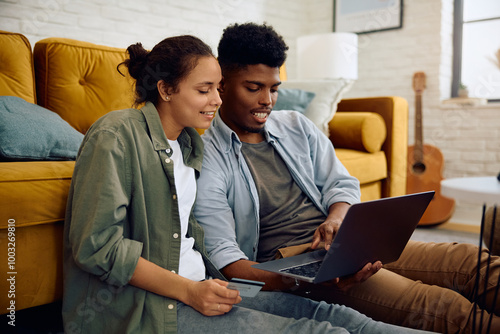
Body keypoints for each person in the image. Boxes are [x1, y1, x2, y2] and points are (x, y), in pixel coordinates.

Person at [61, 35, 429, 334]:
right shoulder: (116, 134)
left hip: (206, 285)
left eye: (218, 88)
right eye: (205, 90)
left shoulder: (190, 144)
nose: (218, 100)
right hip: (149, 305)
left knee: (341, 318)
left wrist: (300, 279)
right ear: (166, 89)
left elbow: (192, 242)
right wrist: (190, 290)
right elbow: (97, 248)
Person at [193, 22, 500, 334]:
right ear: (222, 86)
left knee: (468, 262)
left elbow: (341, 184)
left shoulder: (296, 125)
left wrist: (338, 219)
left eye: (273, 89)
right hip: (293, 260)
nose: (267, 102)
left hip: (343, 240)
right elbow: (229, 264)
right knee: (436, 305)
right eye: (254, 88)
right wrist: (305, 279)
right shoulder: (206, 156)